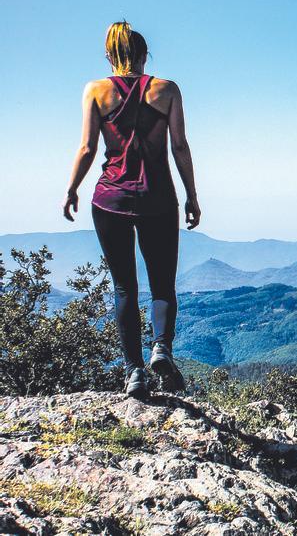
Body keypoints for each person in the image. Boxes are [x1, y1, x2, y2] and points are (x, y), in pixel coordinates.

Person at [62, 21, 201, 398]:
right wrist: (192, 195)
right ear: (143, 56)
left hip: (110, 200)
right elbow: (180, 147)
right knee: (162, 283)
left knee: (124, 286)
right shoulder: (167, 90)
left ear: (110, 56)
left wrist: (72, 189)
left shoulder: (96, 90)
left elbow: (87, 148)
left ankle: (133, 372)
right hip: (157, 199)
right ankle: (161, 347)